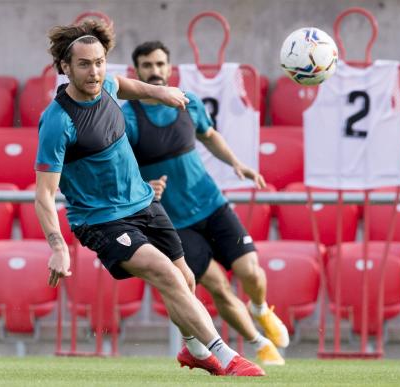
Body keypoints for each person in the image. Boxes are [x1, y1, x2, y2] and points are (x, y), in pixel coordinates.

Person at [35, 20, 264, 377]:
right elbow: (44, 195)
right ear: (65, 68)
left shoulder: (108, 85)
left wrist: (162, 93)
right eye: (84, 64)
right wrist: (57, 246)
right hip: (100, 220)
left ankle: (194, 350)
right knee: (166, 274)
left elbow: (129, 86)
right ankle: (228, 357)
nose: (94, 71)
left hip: (144, 203)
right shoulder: (57, 121)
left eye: (99, 62)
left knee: (185, 278)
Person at [122, 41, 291, 367]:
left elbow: (209, 135)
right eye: (147, 66)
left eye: (160, 64)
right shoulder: (128, 118)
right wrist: (144, 187)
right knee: (218, 286)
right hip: (174, 222)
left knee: (251, 273)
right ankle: (259, 345)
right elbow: (120, 167)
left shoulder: (188, 103)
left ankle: (260, 309)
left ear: (169, 68)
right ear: (137, 72)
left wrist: (236, 164)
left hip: (211, 204)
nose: (154, 71)